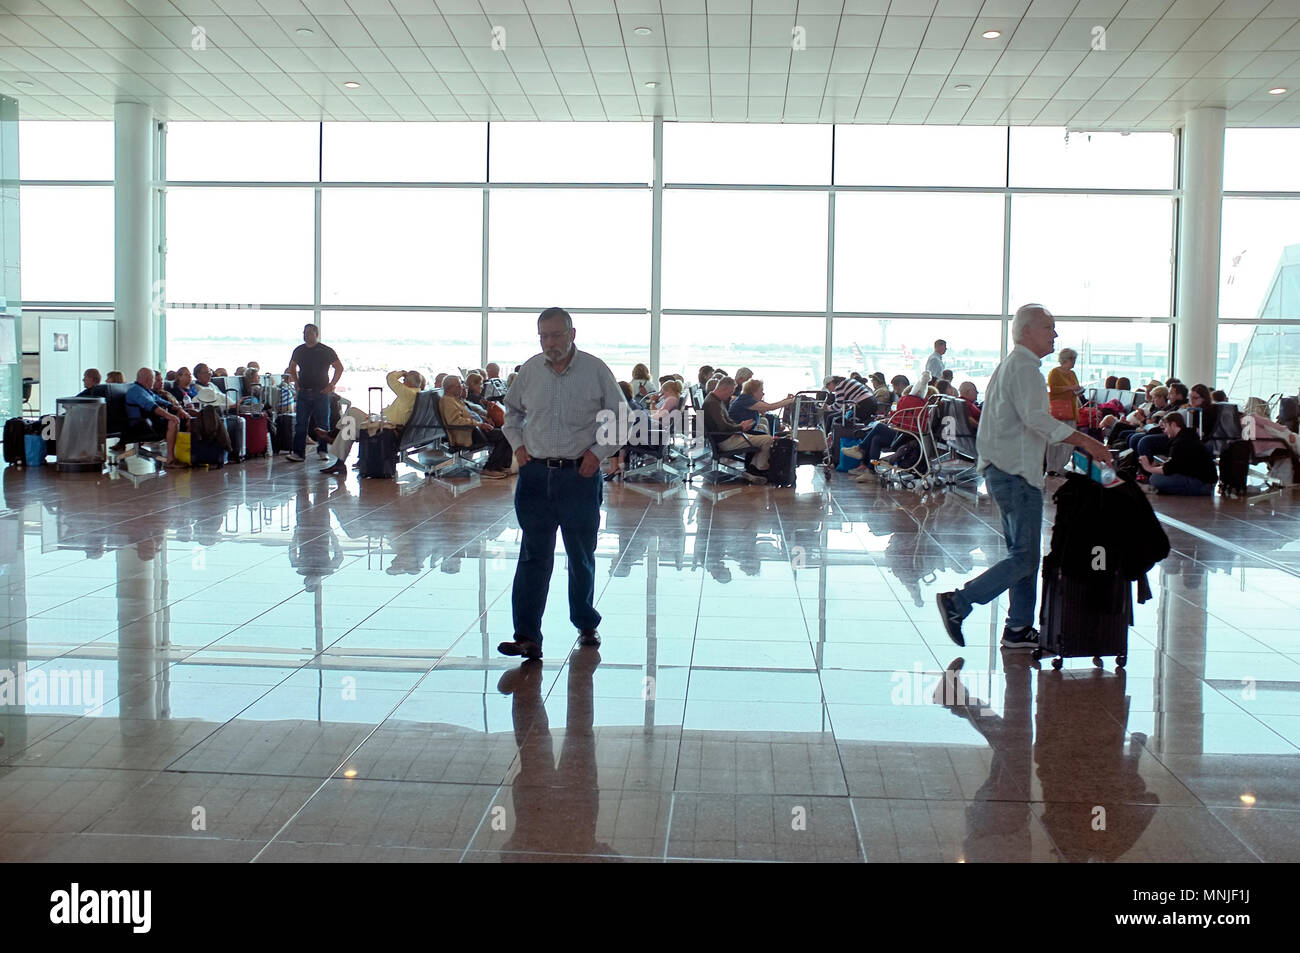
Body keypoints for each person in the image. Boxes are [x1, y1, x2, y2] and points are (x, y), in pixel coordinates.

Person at [936, 304, 1113, 650]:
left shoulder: (1013, 366)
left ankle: (1018, 628)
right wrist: (1087, 441)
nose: (1056, 335)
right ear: (1028, 331)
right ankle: (959, 602)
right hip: (1014, 474)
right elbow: (1038, 420)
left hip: (1007, 470)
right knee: (1025, 557)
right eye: (1050, 328)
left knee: (1024, 553)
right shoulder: (1026, 370)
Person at [497, 307, 626, 660]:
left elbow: (622, 418)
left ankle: (585, 623)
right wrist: (519, 449)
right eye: (543, 336)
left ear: (572, 333)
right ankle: (527, 636)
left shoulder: (595, 369)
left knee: (580, 555)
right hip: (535, 476)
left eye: (555, 335)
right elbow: (511, 414)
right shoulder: (529, 371)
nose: (549, 343)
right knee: (533, 556)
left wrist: (597, 454)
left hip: (579, 478)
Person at [319, 369, 423, 476]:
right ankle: (339, 463)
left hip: (387, 428)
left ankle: (333, 435)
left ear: (408, 382)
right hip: (386, 425)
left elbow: (390, 378)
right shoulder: (416, 393)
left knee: (352, 411)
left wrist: (402, 373)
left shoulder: (409, 393)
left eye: (404, 380)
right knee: (349, 428)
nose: (403, 382)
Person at [286, 323, 343, 463]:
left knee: (323, 423)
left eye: (310, 333)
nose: (306, 335)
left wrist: (331, 385)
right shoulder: (299, 350)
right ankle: (298, 453)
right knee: (300, 423)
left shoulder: (326, 350)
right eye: (304, 332)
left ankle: (323, 450)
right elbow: (291, 367)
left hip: (321, 392)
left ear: (316, 334)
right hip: (304, 392)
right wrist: (296, 383)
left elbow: (339, 368)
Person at [439, 374, 513, 478]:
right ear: (450, 388)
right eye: (459, 386)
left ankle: (500, 465)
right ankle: (489, 468)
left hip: (474, 429)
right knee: (502, 435)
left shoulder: (455, 399)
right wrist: (479, 424)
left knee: (505, 432)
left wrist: (484, 419)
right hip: (466, 433)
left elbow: (470, 414)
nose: (462, 387)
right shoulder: (447, 401)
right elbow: (454, 421)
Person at [703, 376, 772, 482]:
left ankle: (753, 469)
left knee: (761, 436)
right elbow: (723, 427)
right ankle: (759, 467)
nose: (731, 395)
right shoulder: (713, 404)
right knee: (768, 439)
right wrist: (740, 427)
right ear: (723, 389)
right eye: (730, 391)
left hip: (726, 437)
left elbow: (725, 422)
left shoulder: (714, 400)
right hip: (726, 441)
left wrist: (741, 425)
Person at [1140, 411, 1216, 496]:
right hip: (1203, 481)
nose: (1165, 431)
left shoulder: (1182, 442)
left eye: (1165, 427)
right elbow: (1180, 464)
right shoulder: (1186, 436)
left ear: (1173, 425)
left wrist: (1148, 467)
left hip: (1201, 484)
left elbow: (1169, 469)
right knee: (1156, 476)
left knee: (1155, 478)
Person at [124, 366, 180, 466]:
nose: (154, 382)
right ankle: (170, 460)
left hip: (149, 422)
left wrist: (175, 407)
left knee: (180, 419)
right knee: (173, 422)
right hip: (141, 425)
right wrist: (170, 416)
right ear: (147, 379)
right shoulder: (136, 391)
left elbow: (159, 399)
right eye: (153, 379)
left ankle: (177, 456)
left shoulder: (145, 390)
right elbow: (152, 406)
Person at [1047, 347, 1084, 425]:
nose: (1074, 361)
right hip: (1060, 409)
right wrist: (1070, 388)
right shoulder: (1054, 372)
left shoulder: (1072, 373)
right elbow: (1053, 389)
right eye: (1072, 359)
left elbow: (1075, 388)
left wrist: (1078, 391)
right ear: (1065, 360)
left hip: (1072, 408)